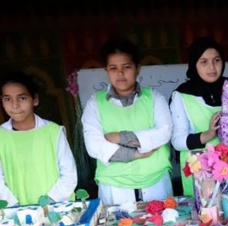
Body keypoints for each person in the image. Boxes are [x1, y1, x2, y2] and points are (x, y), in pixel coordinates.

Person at [81, 37, 173, 206]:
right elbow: (94, 145)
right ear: (106, 70)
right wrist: (135, 154)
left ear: (138, 69)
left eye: (127, 67)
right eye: (113, 68)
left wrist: (118, 137)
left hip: (156, 181)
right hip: (114, 186)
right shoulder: (95, 103)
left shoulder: (154, 97)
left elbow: (164, 132)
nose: (120, 73)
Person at [170, 36, 228, 196]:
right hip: (202, 176)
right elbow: (177, 141)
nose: (212, 67)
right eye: (204, 62)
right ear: (194, 64)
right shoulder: (182, 95)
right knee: (207, 215)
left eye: (216, 60)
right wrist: (208, 134)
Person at [0, 71, 77, 206]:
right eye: (8, 99)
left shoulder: (53, 132)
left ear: (35, 99)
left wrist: (46, 203)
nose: (15, 105)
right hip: (16, 215)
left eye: (22, 98)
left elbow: (69, 175)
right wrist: (17, 209)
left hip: (57, 209)